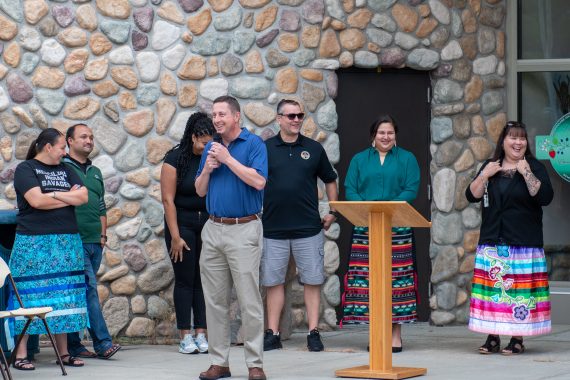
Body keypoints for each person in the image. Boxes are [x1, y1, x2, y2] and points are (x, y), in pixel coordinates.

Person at [195, 96, 268, 380]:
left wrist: (228, 160)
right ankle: (219, 362)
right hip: (213, 229)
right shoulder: (210, 148)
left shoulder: (254, 145)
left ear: (236, 117)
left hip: (244, 228)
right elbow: (200, 190)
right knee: (214, 300)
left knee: (249, 300)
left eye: (222, 114)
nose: (217, 119)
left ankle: (255, 365)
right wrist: (208, 169)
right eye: (214, 114)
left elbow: (259, 181)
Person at [466, 121, 553, 355]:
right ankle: (492, 337)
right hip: (493, 242)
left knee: (519, 295)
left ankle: (517, 338)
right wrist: (485, 174)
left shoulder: (534, 166)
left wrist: (525, 172)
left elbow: (544, 196)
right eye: (513, 138)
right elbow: (472, 195)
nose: (518, 142)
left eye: (522, 138)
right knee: (494, 292)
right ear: (503, 142)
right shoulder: (491, 166)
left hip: (523, 244)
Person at [261, 99, 338, 352]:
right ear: (279, 119)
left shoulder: (314, 148)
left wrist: (333, 210)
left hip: (308, 228)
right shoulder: (265, 148)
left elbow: (330, 179)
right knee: (273, 282)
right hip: (273, 228)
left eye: (299, 116)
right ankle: (272, 334)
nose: (296, 120)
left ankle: (313, 333)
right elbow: (252, 180)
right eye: (291, 116)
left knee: (312, 281)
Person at [10, 128, 88, 370]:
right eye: (62, 147)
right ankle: (21, 354)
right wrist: (66, 195)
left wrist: (52, 194)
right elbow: (36, 201)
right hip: (34, 244)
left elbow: (83, 196)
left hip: (66, 244)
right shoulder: (26, 169)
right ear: (48, 147)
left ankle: (63, 353)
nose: (65, 152)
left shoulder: (66, 169)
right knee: (28, 296)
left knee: (62, 297)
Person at [342, 115, 420, 353]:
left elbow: (411, 187)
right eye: (381, 133)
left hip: (398, 229)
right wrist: (369, 209)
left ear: (395, 136)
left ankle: (395, 334)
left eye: (390, 133)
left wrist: (388, 208)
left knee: (396, 283)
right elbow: (350, 188)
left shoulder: (407, 158)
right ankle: (376, 334)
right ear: (373, 136)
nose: (385, 137)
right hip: (366, 227)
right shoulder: (358, 160)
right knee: (369, 282)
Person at [62, 124, 121, 360]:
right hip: (73, 240)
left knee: (81, 291)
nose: (89, 140)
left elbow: (100, 206)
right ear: (69, 141)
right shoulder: (62, 168)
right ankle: (102, 343)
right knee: (89, 290)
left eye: (91, 137)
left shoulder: (95, 171)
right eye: (83, 137)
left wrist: (103, 236)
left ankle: (75, 345)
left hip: (95, 241)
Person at [161, 113, 214, 354]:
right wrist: (175, 236)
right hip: (180, 223)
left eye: (210, 142)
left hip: (206, 224)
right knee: (185, 279)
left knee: (202, 279)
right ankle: (185, 335)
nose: (207, 147)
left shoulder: (212, 158)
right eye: (203, 142)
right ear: (193, 137)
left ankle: (201, 333)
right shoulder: (174, 158)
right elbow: (167, 200)